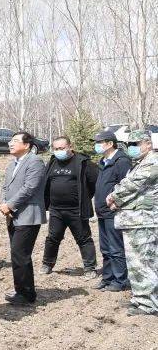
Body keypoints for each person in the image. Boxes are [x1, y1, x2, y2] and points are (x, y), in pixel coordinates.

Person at [106, 130, 158, 316]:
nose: (131, 148)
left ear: (148, 144)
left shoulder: (152, 162)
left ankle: (147, 304)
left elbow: (132, 185)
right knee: (140, 262)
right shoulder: (141, 162)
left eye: (135, 144)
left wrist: (113, 197)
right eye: (129, 145)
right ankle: (142, 299)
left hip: (143, 221)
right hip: (136, 220)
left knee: (142, 263)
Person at [0, 131, 47, 305]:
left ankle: (27, 294)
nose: (10, 144)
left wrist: (10, 204)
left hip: (28, 215)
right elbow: (6, 186)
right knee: (16, 253)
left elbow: (30, 188)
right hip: (13, 215)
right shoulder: (13, 164)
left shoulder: (35, 161)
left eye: (15, 141)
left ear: (26, 145)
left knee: (21, 254)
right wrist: (4, 203)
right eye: (10, 141)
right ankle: (20, 289)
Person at [41, 136, 98, 277]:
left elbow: (94, 183)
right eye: (56, 149)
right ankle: (47, 264)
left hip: (76, 210)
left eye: (62, 148)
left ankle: (90, 268)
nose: (59, 151)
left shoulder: (83, 162)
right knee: (52, 238)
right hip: (56, 210)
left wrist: (84, 198)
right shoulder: (52, 162)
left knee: (84, 238)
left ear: (70, 146)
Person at [94, 130, 132, 292]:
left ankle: (120, 280)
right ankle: (108, 277)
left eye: (99, 142)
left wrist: (117, 202)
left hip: (114, 211)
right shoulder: (103, 161)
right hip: (102, 211)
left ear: (110, 144)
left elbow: (127, 186)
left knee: (116, 247)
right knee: (105, 248)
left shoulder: (121, 161)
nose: (96, 146)